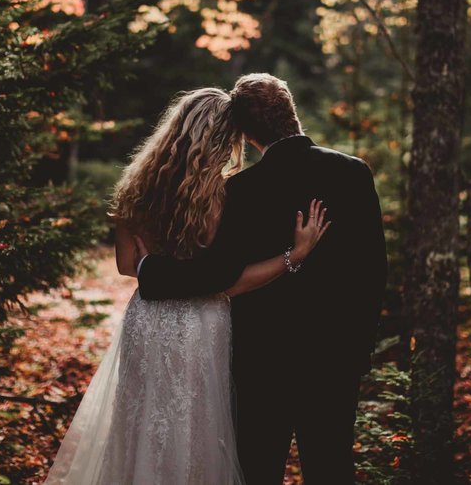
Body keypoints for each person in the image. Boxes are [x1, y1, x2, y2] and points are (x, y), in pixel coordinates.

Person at [43, 87, 330, 485]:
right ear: (223, 139)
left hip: (147, 319)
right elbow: (226, 282)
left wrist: (153, 265)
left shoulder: (136, 187)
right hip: (199, 322)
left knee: (140, 426)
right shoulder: (222, 197)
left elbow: (128, 265)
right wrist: (292, 257)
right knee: (193, 429)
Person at [135, 73, 388, 484]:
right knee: (331, 467)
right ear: (291, 111)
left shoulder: (243, 190)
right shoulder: (353, 173)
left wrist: (152, 272)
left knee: (258, 469)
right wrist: (358, 348)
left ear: (245, 133)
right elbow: (374, 271)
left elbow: (218, 274)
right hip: (337, 357)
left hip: (262, 361)